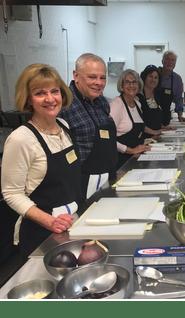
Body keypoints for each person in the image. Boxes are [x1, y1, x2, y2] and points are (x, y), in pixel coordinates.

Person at [1, 64, 82, 257]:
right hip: (41, 233)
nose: (50, 99)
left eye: (54, 91)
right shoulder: (21, 138)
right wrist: (49, 221)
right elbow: (11, 193)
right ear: (28, 99)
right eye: (40, 93)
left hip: (71, 223)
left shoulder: (64, 126)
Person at [58, 53, 117, 202]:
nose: (99, 82)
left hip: (107, 177)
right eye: (92, 77)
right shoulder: (64, 105)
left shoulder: (102, 101)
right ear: (76, 76)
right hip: (80, 185)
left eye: (102, 77)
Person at [109, 69, 152, 169]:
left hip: (136, 159)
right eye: (127, 82)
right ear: (122, 86)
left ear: (139, 85)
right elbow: (109, 139)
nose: (131, 85)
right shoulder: (116, 105)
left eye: (134, 82)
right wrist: (131, 150)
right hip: (121, 162)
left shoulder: (137, 104)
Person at [157, 50, 185, 125]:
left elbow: (178, 99)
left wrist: (180, 116)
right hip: (151, 115)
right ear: (162, 61)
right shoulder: (155, 74)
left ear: (175, 63)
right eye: (167, 59)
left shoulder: (177, 79)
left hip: (165, 117)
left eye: (173, 60)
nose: (170, 62)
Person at [139, 64, 167, 138]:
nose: (153, 80)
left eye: (156, 78)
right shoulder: (138, 97)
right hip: (144, 138)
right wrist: (154, 132)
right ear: (144, 77)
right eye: (150, 76)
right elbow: (138, 123)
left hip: (156, 137)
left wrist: (163, 127)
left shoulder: (157, 95)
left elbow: (154, 117)